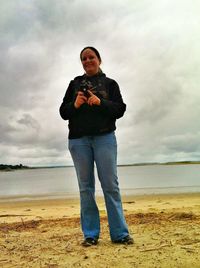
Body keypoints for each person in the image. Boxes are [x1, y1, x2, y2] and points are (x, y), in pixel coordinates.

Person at [59, 46, 133, 247]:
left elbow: (120, 109)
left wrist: (99, 102)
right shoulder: (74, 84)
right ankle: (90, 235)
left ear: (99, 60)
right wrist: (76, 104)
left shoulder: (110, 84)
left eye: (91, 57)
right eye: (84, 58)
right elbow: (63, 112)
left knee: (110, 186)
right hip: (78, 140)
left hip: (104, 138)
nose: (87, 61)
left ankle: (120, 234)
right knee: (85, 188)